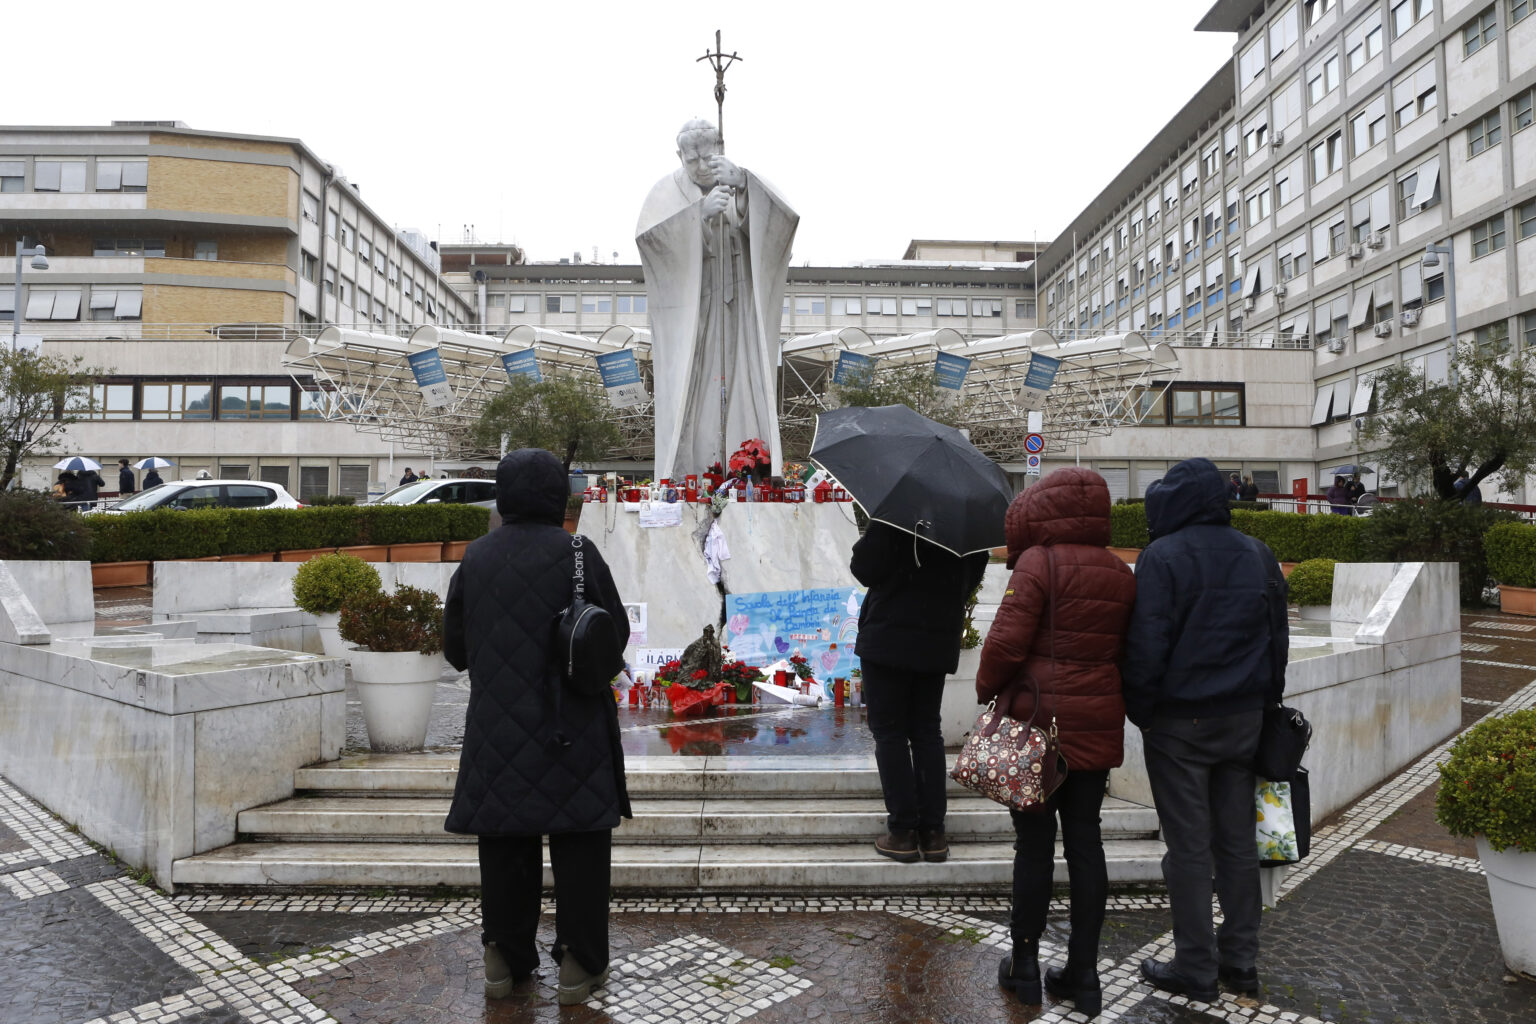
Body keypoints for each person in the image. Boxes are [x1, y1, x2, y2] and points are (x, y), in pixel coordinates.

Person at [443, 448, 630, 1006]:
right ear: (559, 495)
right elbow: (612, 634)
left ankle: (503, 957)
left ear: (503, 494)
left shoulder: (475, 558)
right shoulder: (579, 552)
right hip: (572, 727)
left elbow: (455, 651)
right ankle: (579, 965)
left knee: (504, 845)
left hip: (497, 730)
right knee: (581, 847)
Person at [1121, 457, 1289, 1004]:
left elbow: (1145, 645)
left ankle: (1196, 966)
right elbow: (1277, 638)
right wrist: (1265, 705)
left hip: (1179, 722)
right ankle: (1241, 961)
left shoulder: (1161, 557)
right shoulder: (1258, 552)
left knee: (1189, 848)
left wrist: (1143, 710)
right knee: (1238, 844)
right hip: (1243, 719)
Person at [977, 469, 1136, 1016]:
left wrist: (986, 689)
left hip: (1039, 727)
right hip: (1094, 725)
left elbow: (1004, 643)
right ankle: (1083, 974)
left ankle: (1023, 966)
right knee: (1086, 844)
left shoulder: (1036, 563)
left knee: (1035, 844)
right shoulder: (1119, 571)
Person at [636, 118, 798, 480]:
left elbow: (782, 224)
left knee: (744, 380)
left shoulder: (738, 180)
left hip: (738, 308)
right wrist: (697, 218)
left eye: (707, 157)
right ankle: (695, 471)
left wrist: (744, 189)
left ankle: (747, 467)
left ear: (720, 149)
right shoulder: (664, 193)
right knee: (696, 390)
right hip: (694, 314)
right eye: (690, 159)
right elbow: (651, 244)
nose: (699, 166)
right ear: (678, 155)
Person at [851, 520, 988, 864]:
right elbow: (971, 576)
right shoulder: (963, 524)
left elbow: (863, 567)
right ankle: (933, 833)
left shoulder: (895, 517)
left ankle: (902, 833)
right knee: (927, 730)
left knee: (890, 733)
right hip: (935, 640)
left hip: (887, 639)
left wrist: (871, 533)